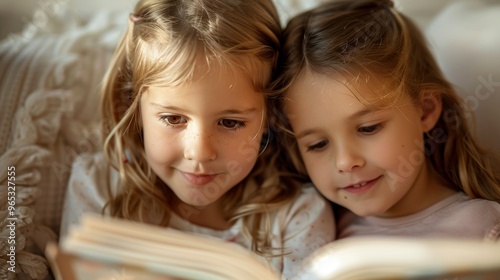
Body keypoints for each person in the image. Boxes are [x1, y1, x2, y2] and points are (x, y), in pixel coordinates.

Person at [59, 0, 334, 278]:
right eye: (173, 119)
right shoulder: (99, 188)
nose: (200, 153)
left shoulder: (298, 217)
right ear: (133, 105)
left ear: (270, 116)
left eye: (230, 122)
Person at [272, 0, 500, 241]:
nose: (345, 161)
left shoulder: (485, 232)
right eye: (318, 144)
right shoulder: (311, 233)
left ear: (425, 111)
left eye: (368, 128)